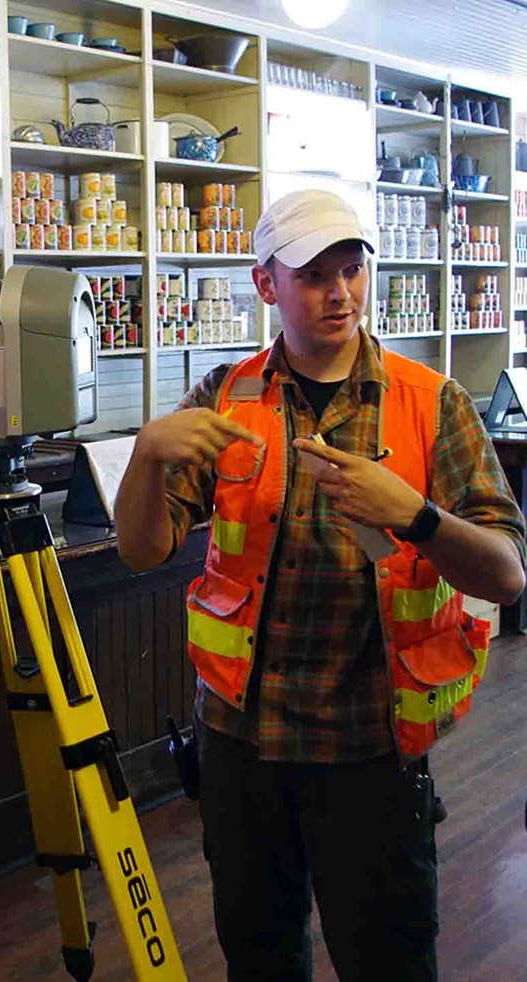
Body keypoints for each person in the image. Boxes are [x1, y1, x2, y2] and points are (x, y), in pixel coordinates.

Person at [114, 188, 526, 981]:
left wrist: (417, 518)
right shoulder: (226, 400)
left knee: (389, 960)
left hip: (371, 750)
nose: (340, 292)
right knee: (259, 956)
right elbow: (143, 549)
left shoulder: (431, 404)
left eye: (352, 268)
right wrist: (145, 454)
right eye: (313, 275)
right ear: (267, 284)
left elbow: (509, 577)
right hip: (242, 750)